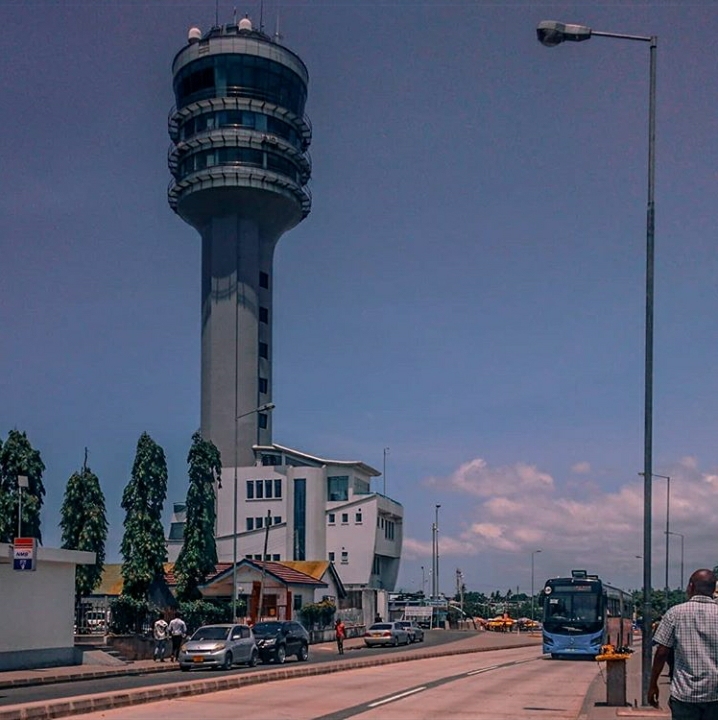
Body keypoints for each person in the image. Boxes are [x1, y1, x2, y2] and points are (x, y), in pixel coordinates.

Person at [649, 568, 718, 718]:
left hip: (684, 694)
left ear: (691, 586)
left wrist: (653, 683)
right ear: (713, 589)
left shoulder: (675, 613)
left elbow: (661, 652)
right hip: (715, 694)